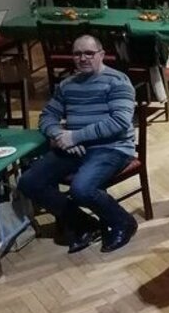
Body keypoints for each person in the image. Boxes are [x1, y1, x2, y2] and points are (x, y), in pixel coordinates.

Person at [18, 35, 136, 253]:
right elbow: (47, 117)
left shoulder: (118, 81)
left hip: (112, 148)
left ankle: (123, 222)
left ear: (101, 54)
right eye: (77, 54)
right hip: (75, 148)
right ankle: (85, 224)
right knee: (28, 182)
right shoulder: (67, 85)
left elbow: (119, 122)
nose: (83, 58)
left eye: (89, 53)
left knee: (81, 189)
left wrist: (75, 137)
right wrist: (59, 135)